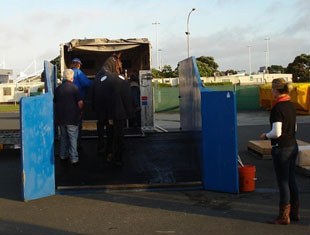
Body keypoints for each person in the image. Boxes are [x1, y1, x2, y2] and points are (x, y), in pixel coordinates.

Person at [260, 78, 299, 225]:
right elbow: (295, 128)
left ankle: (284, 216)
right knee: (291, 179)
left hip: (281, 148)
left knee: (283, 182)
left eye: (272, 89)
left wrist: (265, 135)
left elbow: (276, 132)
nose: (271, 91)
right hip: (293, 145)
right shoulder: (291, 105)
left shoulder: (278, 108)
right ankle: (294, 213)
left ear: (276, 90)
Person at [92, 68, 133, 166]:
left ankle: (108, 152)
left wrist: (98, 112)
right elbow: (127, 99)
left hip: (107, 114)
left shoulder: (100, 81)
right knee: (119, 135)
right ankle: (118, 157)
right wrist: (130, 113)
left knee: (109, 133)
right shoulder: (123, 81)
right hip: (119, 114)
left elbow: (95, 99)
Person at [54, 69, 83, 165]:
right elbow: (80, 103)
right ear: (71, 77)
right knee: (73, 138)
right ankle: (74, 158)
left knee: (63, 137)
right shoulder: (75, 88)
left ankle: (63, 155)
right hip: (72, 118)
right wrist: (80, 111)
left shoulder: (58, 89)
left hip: (61, 118)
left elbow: (55, 102)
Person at [70, 58, 93, 149]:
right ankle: (77, 144)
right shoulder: (78, 72)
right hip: (78, 102)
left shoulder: (68, 73)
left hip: (68, 102)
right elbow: (87, 84)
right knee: (77, 123)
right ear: (79, 65)